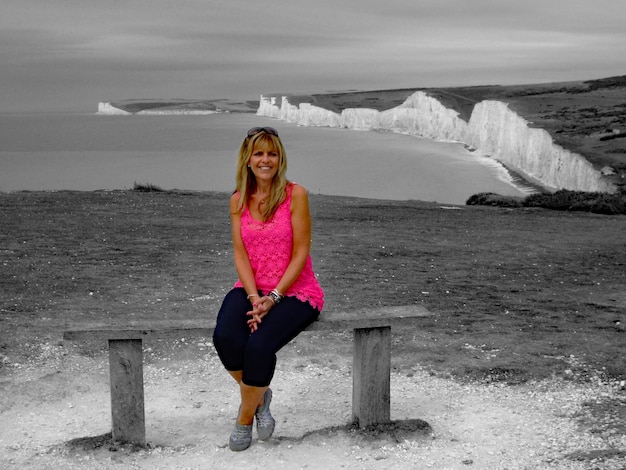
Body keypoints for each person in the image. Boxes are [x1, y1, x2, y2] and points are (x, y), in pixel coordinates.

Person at [212, 126, 325, 451]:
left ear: (280, 158)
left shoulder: (296, 194)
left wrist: (273, 298)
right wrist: (253, 297)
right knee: (225, 338)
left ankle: (245, 418)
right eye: (258, 153)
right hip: (251, 288)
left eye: (272, 153)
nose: (265, 160)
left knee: (258, 348)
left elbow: (301, 252)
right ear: (247, 159)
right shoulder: (237, 200)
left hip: (296, 290)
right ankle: (261, 397)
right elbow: (240, 253)